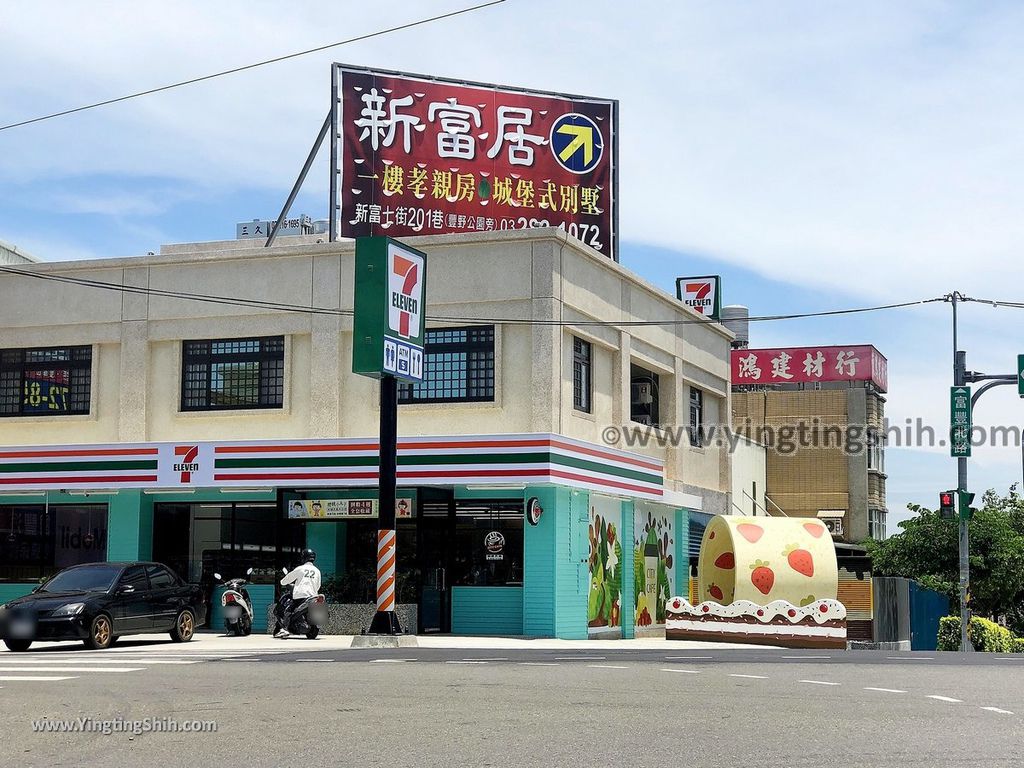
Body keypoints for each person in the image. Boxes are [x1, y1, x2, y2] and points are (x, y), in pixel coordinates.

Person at [275, 549, 321, 638]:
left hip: (301, 596)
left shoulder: (300, 569)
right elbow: (318, 585)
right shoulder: (317, 571)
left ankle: (284, 630)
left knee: (288, 610)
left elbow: (287, 579)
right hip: (313, 596)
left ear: (303, 557)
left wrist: (282, 582)